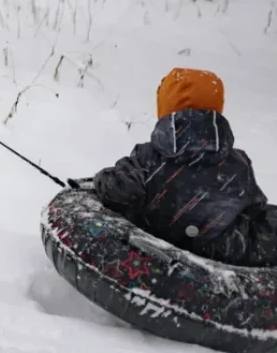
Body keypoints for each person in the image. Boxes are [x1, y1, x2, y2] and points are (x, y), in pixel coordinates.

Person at [93, 68, 277, 267]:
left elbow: (118, 191)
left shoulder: (147, 157)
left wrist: (101, 180)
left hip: (155, 248)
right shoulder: (239, 164)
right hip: (220, 257)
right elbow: (254, 210)